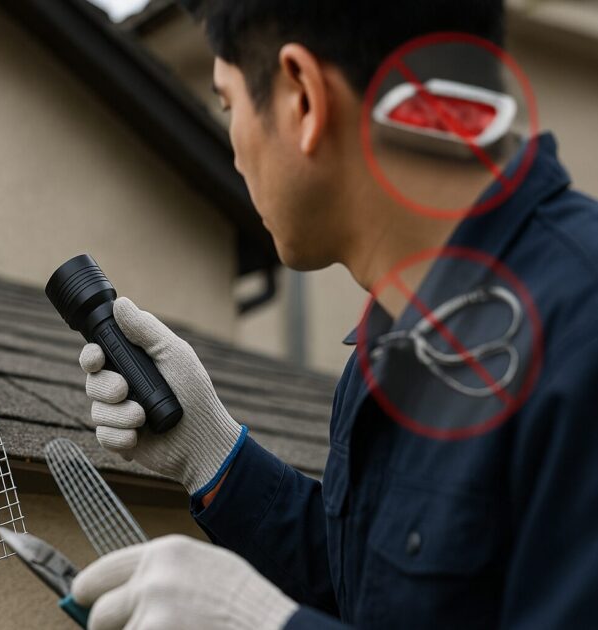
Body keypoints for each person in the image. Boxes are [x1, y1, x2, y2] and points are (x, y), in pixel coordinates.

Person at [69, 0, 598, 628]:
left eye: (228, 104)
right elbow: (373, 594)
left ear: (303, 98)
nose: (234, 148)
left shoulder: (580, 336)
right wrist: (209, 453)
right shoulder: (394, 331)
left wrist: (265, 624)